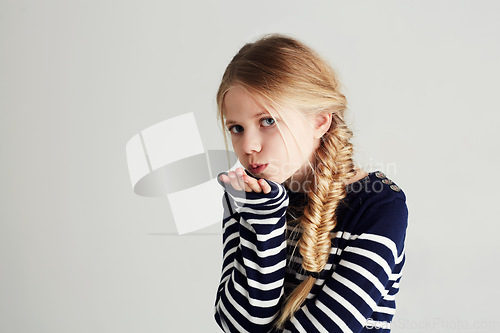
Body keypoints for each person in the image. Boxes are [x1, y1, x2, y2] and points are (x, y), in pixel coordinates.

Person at [214, 34, 408, 333]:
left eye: (267, 121)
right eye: (237, 128)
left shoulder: (378, 205)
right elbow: (240, 323)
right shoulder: (247, 196)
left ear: (319, 121)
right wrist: (264, 220)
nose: (249, 145)